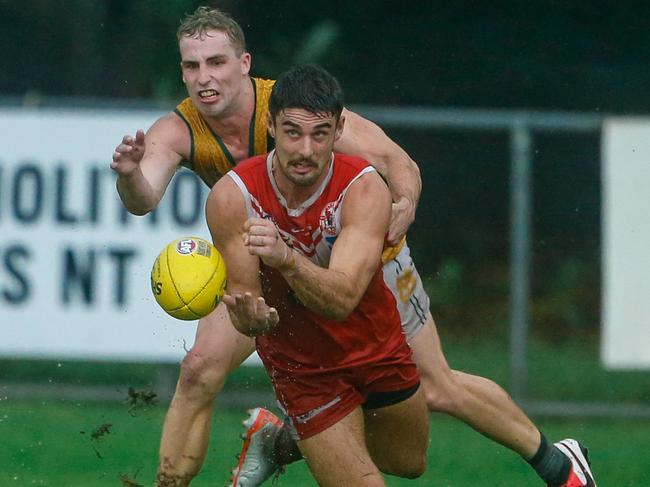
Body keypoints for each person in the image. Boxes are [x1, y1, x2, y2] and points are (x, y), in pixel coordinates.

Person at [111, 6, 596, 487]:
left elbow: (395, 159)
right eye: (192, 66)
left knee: (436, 389)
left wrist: (404, 201)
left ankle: (556, 461)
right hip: (270, 268)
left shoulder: (296, 109)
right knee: (199, 369)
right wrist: (131, 176)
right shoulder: (178, 129)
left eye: (216, 62)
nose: (204, 78)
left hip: (361, 267)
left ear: (244, 64)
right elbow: (142, 199)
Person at [206, 64, 430, 487]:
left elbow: (342, 300)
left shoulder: (363, 189)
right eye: (292, 132)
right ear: (270, 125)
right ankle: (314, 429)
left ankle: (278, 443)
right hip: (304, 368)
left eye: (320, 134)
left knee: (409, 461)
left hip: (375, 345)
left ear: (340, 129)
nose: (305, 149)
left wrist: (285, 258)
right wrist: (251, 318)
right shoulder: (233, 197)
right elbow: (247, 300)